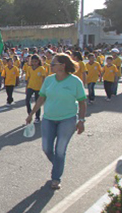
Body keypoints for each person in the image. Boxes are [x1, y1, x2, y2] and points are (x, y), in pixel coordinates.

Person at [25, 54, 86, 190]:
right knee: (46, 148)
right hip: (49, 119)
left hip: (68, 119)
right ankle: (58, 165)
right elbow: (41, 98)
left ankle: (56, 177)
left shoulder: (75, 82)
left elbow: (82, 102)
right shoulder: (48, 80)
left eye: (53, 63)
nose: (50, 65)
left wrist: (81, 120)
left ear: (62, 65)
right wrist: (31, 114)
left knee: (60, 150)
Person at [25, 55, 48, 124]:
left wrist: (43, 88)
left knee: (37, 102)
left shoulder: (41, 68)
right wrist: (26, 87)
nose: (34, 63)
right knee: (27, 100)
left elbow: (44, 78)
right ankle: (30, 113)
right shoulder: (29, 68)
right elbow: (28, 78)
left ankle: (37, 117)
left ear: (38, 61)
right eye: (32, 61)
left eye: (35, 61)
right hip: (30, 86)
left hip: (39, 88)